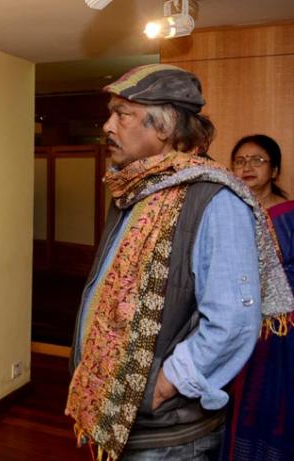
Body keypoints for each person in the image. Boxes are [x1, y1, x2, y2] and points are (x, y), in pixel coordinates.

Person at [65, 64, 294, 461]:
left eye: (122, 114)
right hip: (121, 411)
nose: (107, 126)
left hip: (169, 434)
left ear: (165, 126)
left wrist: (162, 386)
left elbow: (233, 322)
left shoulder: (216, 199)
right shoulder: (133, 189)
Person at [221, 134, 294, 461]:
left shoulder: (289, 214)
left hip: (282, 331)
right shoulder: (229, 213)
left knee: (275, 402)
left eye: (257, 160)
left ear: (274, 170)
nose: (247, 167)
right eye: (239, 161)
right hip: (234, 325)